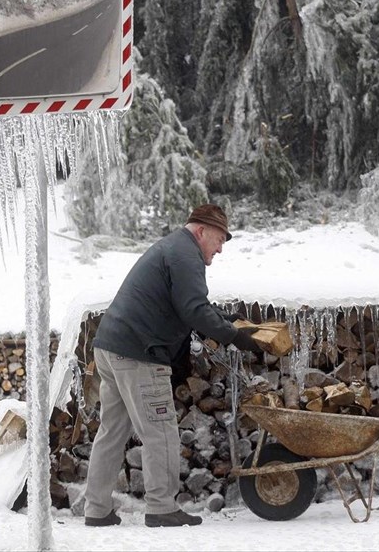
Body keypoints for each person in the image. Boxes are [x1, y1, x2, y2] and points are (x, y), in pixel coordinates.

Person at [83, 204, 260, 528]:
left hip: (111, 348)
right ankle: (162, 507)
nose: (221, 248)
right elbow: (193, 309)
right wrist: (235, 336)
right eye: (219, 239)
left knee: (111, 432)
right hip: (140, 354)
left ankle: (96, 509)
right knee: (160, 432)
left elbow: (189, 304)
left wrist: (225, 320)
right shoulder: (185, 254)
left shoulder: (173, 248)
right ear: (201, 231)